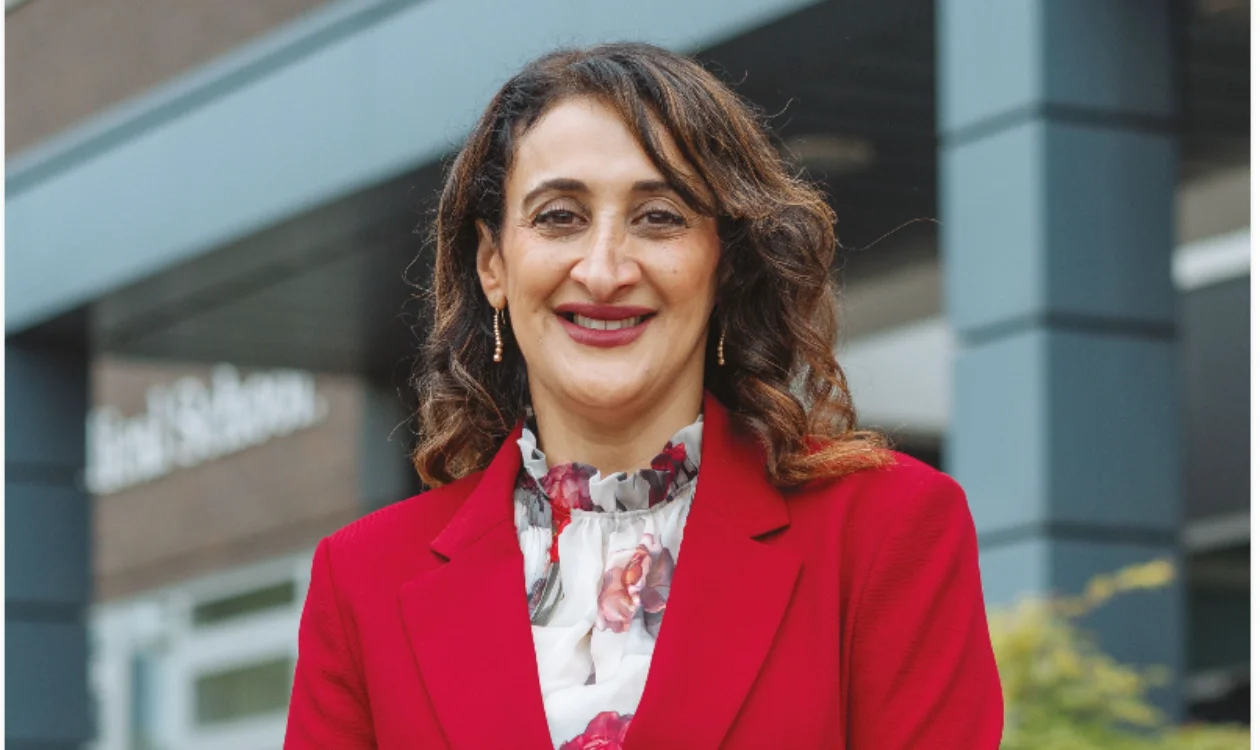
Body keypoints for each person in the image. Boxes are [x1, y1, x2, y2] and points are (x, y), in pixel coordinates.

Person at [284, 42, 1002, 749]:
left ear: (724, 262)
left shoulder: (888, 531)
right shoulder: (362, 582)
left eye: (659, 216)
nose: (603, 271)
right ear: (493, 263)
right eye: (559, 216)